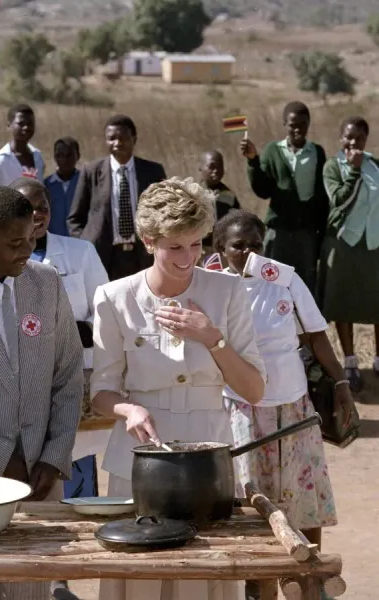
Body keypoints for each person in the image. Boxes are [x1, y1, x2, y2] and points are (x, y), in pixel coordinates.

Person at [90, 177, 266, 600]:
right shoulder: (114, 298)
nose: (189, 258)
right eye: (175, 247)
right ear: (149, 241)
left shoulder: (228, 292)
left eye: (196, 245)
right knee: (138, 580)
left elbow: (254, 390)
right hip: (139, 460)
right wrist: (128, 410)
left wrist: (212, 338)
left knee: (204, 577)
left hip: (207, 460)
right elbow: (101, 392)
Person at [214, 209, 354, 600]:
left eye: (255, 245)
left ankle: (311, 580)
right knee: (251, 500)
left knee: (303, 497)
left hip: (292, 407)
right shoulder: (211, 285)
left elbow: (316, 336)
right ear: (220, 249)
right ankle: (259, 586)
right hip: (241, 408)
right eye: (238, 246)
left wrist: (341, 383)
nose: (248, 253)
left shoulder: (286, 279)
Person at [0, 186, 83, 600]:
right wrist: (1, 461)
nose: (28, 250)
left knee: (32, 587)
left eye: (32, 239)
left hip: (42, 478)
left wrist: (53, 455)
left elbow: (69, 375)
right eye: (15, 243)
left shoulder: (45, 283)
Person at [10, 176, 110, 501]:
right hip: (21, 380)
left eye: (43, 207)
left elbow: (106, 310)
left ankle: (84, 514)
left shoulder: (80, 252)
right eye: (29, 208)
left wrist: (86, 329)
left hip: (73, 373)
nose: (37, 215)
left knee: (77, 450)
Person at [317, 116, 379, 393]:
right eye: (349, 137)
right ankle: (351, 362)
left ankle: (378, 360)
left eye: (359, 138)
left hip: (373, 244)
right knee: (344, 305)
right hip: (343, 245)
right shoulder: (333, 166)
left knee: (376, 303)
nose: (354, 143)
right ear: (341, 137)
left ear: (366, 140)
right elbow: (338, 199)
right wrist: (353, 171)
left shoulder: (375, 164)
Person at [240, 101, 329, 294]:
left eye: (302, 124)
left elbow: (322, 198)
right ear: (284, 124)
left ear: (309, 124)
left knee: (305, 284)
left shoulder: (317, 153)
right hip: (279, 230)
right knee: (273, 279)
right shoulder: (274, 151)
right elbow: (263, 191)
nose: (297, 129)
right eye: (292, 125)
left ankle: (302, 324)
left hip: (305, 231)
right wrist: (253, 160)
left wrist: (321, 234)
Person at [67, 114, 167, 280]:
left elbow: (165, 212)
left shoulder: (153, 171)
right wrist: (85, 245)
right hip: (103, 256)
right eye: (111, 138)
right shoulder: (91, 171)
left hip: (143, 255)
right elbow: (75, 218)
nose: (117, 143)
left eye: (123, 138)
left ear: (134, 139)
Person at [0, 104, 45, 187]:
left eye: (30, 123)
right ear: (9, 125)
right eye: (21, 124)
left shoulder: (37, 157)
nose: (26, 127)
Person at [199, 150, 240, 251]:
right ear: (201, 168)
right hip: (201, 249)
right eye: (211, 166)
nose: (216, 171)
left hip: (222, 249)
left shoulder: (228, 195)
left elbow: (237, 220)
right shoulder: (195, 194)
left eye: (220, 167)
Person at [45, 137, 81, 237]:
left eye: (69, 155)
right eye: (60, 155)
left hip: (80, 241)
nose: (65, 160)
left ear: (78, 156)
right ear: (55, 157)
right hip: (54, 241)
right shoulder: (47, 185)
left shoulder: (85, 182)